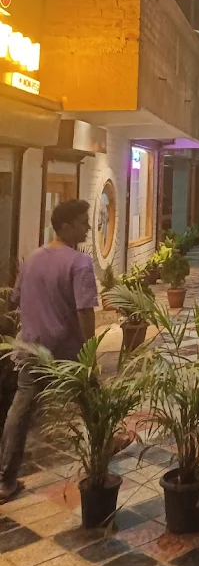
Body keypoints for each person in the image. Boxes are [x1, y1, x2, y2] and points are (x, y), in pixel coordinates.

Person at [0, 199, 99, 503]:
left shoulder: (32, 258)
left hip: (31, 346)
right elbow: (85, 311)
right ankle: (103, 453)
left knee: (21, 410)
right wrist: (90, 351)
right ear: (66, 226)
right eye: (83, 222)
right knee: (91, 397)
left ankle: (5, 480)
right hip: (67, 350)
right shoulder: (79, 262)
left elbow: (16, 299)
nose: (87, 228)